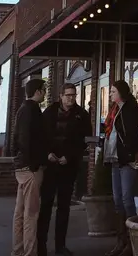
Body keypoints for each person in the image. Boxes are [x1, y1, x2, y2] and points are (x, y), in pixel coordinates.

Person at [38, 83, 92, 256]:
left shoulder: (81, 115)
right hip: (50, 166)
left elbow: (83, 141)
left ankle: (60, 246)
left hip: (68, 166)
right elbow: (40, 136)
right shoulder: (49, 113)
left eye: (73, 95)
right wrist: (47, 154)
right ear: (60, 95)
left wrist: (69, 157)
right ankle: (41, 245)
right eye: (68, 95)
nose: (71, 98)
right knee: (46, 205)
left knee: (63, 207)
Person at [103, 80, 138, 256]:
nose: (110, 94)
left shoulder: (129, 109)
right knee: (117, 199)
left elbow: (131, 135)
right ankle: (121, 240)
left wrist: (130, 155)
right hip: (114, 159)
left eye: (113, 91)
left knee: (127, 199)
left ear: (121, 93)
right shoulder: (114, 110)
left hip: (126, 160)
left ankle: (134, 241)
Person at [12, 78, 48, 256]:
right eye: (44, 89)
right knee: (31, 214)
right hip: (30, 169)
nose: (45, 93)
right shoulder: (32, 111)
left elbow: (16, 140)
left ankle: (18, 251)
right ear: (38, 91)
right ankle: (29, 252)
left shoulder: (22, 109)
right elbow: (26, 140)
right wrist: (35, 164)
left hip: (22, 167)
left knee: (20, 212)